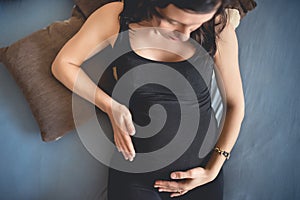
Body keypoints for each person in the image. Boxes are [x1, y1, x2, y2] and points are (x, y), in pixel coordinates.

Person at [51, 0, 245, 199]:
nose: (185, 34)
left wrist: (212, 170)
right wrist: (110, 106)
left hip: (200, 177)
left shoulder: (217, 26)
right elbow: (63, 64)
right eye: (173, 21)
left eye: (195, 24)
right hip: (135, 175)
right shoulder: (117, 17)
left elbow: (235, 104)